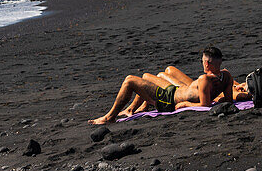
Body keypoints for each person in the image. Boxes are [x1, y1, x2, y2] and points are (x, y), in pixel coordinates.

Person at [89, 47, 235, 124]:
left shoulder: (204, 79)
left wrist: (186, 104)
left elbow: (205, 105)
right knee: (146, 77)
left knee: (129, 80)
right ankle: (131, 109)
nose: (202, 63)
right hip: (174, 91)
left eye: (203, 61)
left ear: (207, 63)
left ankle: (109, 117)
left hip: (168, 100)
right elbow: (228, 100)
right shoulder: (226, 75)